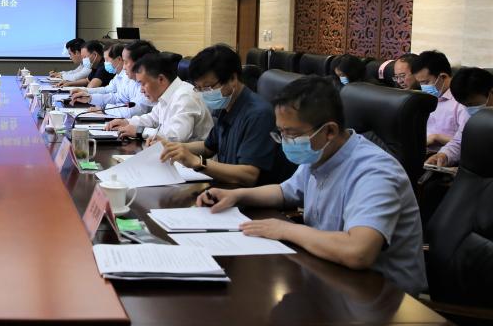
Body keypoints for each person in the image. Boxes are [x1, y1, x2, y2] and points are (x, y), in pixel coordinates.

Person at [195, 76, 427, 296]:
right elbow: (285, 192)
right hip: (330, 275)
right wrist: (236, 195)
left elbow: (358, 252)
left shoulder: (374, 172)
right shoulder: (321, 153)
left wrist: (285, 229)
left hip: (381, 296)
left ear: (329, 131)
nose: (286, 142)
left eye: (291, 134)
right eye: (281, 132)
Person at [160, 44, 291, 185]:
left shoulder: (259, 114)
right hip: (226, 188)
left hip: (249, 194)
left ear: (232, 78)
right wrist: (173, 147)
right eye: (199, 88)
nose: (204, 94)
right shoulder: (228, 105)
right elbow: (208, 147)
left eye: (208, 87)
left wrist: (198, 162)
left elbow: (249, 175)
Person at [105, 52, 213, 142]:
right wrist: (127, 122)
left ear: (161, 79)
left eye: (143, 84)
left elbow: (176, 137)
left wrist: (140, 131)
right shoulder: (167, 94)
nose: (141, 90)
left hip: (194, 160)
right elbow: (152, 118)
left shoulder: (185, 96)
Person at [426, 67, 493, 167]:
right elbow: (459, 142)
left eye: (471, 104)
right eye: (465, 105)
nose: (469, 109)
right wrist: (444, 155)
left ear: (491, 92)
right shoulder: (471, 114)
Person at [71, 40, 155, 118]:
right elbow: (117, 97)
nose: (124, 67)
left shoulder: (144, 84)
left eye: (126, 62)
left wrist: (104, 108)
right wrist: (90, 98)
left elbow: (134, 111)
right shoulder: (130, 79)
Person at [411, 50, 467, 150]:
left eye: (426, 82)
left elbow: (468, 142)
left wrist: (437, 138)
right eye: (420, 83)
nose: (423, 87)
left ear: (443, 77)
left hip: (446, 154)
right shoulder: (426, 98)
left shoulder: (462, 101)